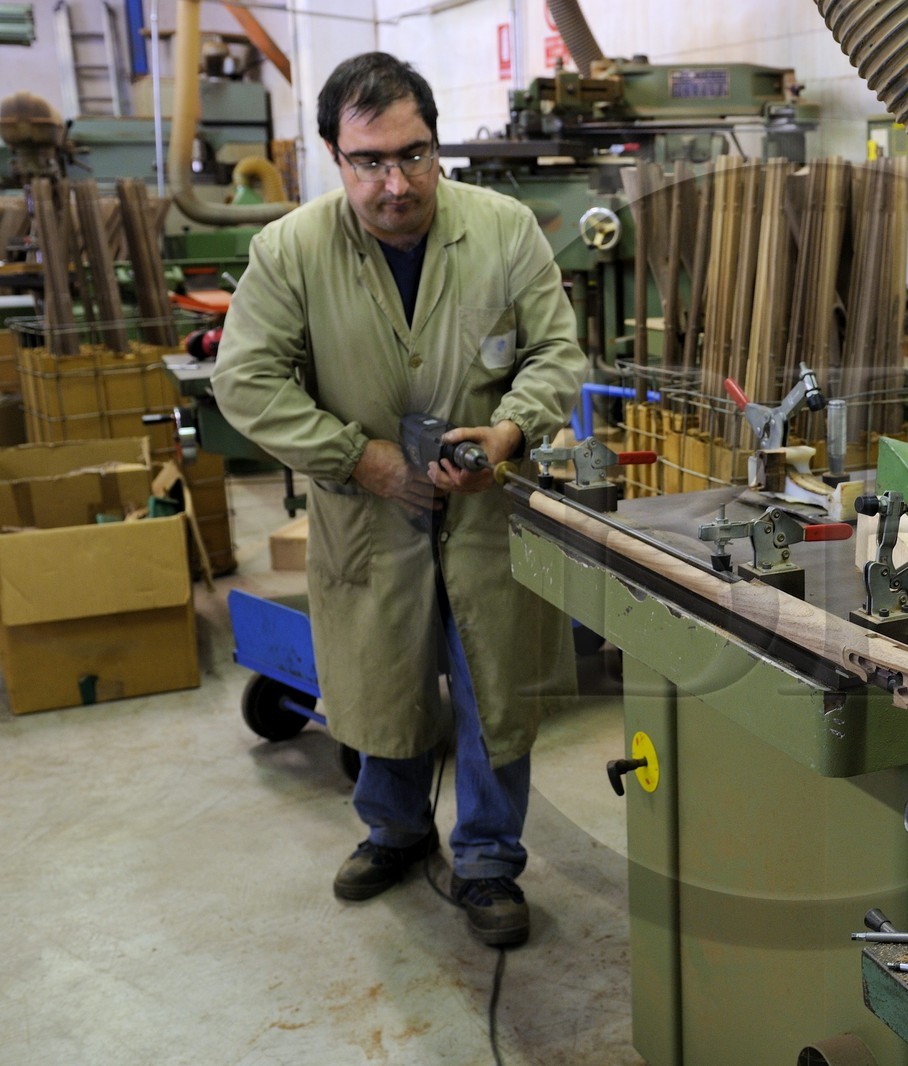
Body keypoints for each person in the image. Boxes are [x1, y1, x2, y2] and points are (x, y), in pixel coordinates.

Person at [213, 52, 585, 948]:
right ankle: (395, 831)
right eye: (370, 161)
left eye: (413, 155)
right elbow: (246, 382)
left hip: (488, 516)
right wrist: (358, 458)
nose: (396, 184)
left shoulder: (504, 231)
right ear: (333, 159)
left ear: (436, 146)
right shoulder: (291, 251)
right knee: (384, 680)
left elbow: (557, 353)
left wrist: (509, 433)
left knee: (495, 692)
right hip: (369, 517)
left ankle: (489, 860)